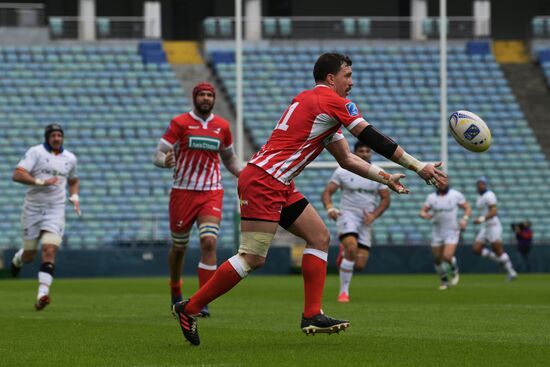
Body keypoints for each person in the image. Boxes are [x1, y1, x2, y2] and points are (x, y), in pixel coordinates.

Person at [172, 53, 447, 346]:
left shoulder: (309, 103)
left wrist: (385, 177)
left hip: (277, 181)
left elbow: (346, 159)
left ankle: (312, 313)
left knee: (319, 236)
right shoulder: (333, 102)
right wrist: (418, 166)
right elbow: (371, 137)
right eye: (348, 75)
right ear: (331, 78)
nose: (351, 82)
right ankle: (188, 308)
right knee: (252, 257)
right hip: (265, 180)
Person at [153, 82, 241, 317]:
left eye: (209, 95)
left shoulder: (222, 126)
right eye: (201, 94)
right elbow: (158, 154)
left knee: (209, 242)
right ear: (195, 98)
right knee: (179, 247)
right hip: (182, 191)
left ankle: (203, 300)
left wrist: (246, 174)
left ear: (214, 99)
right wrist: (165, 162)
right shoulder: (180, 123)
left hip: (211, 191)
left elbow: (230, 159)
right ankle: (175, 288)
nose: (205, 98)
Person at [10, 123, 80, 310]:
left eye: (59, 135)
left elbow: (73, 180)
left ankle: (43, 294)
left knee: (49, 250)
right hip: (33, 209)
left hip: (55, 210)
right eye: (53, 135)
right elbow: (17, 174)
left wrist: (74, 197)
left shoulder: (70, 158)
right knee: (30, 254)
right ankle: (18, 258)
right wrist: (41, 181)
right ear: (47, 137)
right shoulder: (36, 152)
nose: (57, 138)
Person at [321, 142, 390, 302]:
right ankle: (343, 293)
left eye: (368, 151)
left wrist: (374, 215)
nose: (365, 153)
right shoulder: (342, 171)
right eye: (361, 151)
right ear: (355, 152)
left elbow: (385, 200)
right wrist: (330, 208)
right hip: (348, 215)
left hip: (366, 219)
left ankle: (343, 252)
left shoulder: (379, 173)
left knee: (359, 265)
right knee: (352, 248)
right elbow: (328, 192)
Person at [419, 182, 472, 290]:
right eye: (439, 183)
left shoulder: (456, 195)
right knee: (437, 259)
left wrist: (464, 219)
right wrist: (424, 215)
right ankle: (444, 281)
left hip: (452, 231)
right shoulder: (431, 198)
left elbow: (467, 208)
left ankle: (454, 269)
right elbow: (423, 211)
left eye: (444, 182)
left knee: (447, 256)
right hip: (437, 231)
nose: (442, 184)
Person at [472, 177, 517, 280]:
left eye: (482, 184)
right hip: (486, 227)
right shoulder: (479, 196)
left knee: (498, 251)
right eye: (479, 184)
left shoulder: (489, 195)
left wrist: (481, 219)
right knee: (476, 249)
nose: (480, 186)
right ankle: (501, 261)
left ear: (485, 185)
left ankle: (511, 272)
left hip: (493, 226)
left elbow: (494, 212)